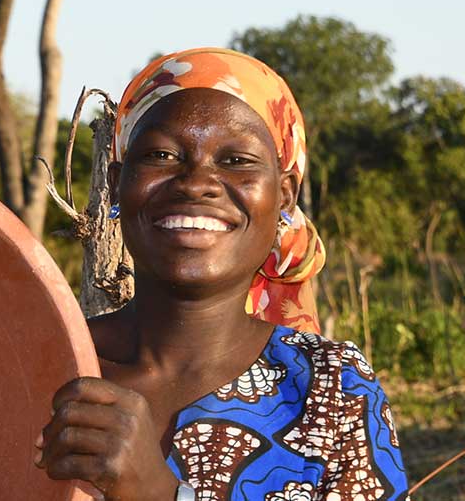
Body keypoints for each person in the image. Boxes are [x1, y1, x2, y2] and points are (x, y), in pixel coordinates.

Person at [35, 48, 409, 501]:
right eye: (161, 154)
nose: (196, 183)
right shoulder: (40, 367)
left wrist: (157, 493)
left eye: (236, 160)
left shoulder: (331, 390)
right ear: (117, 183)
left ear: (284, 196)